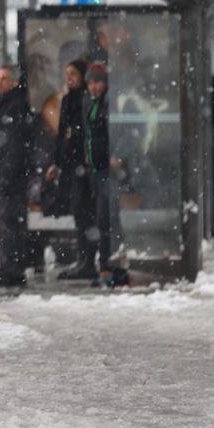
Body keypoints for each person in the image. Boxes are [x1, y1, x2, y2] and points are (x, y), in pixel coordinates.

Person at [0, 65, 35, 288]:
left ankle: (10, 270)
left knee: (8, 225)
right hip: (1, 177)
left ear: (14, 82)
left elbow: (14, 146)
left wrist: (5, 176)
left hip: (9, 179)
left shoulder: (14, 106)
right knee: (7, 224)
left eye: (4, 78)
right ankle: (10, 268)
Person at [45, 59, 99, 280]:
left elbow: (82, 132)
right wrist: (57, 162)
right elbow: (62, 133)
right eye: (67, 74)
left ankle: (88, 260)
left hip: (82, 165)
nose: (69, 78)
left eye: (73, 74)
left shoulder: (86, 99)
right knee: (78, 212)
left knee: (85, 212)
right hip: (71, 165)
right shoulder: (68, 99)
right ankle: (84, 259)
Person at [80, 62, 127, 288]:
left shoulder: (110, 103)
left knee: (107, 219)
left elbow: (121, 132)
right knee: (103, 220)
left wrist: (116, 154)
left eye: (97, 82)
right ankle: (107, 266)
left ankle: (111, 268)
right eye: (90, 82)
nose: (93, 86)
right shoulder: (91, 103)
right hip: (97, 169)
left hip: (108, 170)